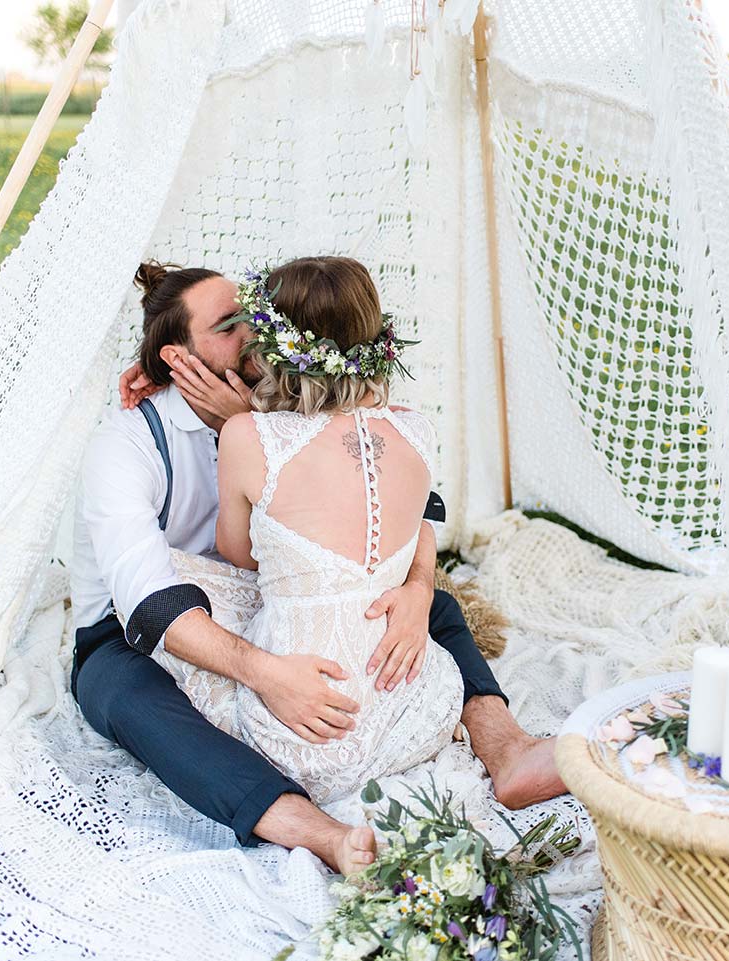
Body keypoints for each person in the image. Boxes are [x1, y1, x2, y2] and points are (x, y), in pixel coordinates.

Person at [69, 258, 565, 875]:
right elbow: (153, 606)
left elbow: (408, 505)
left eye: (257, 316)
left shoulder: (283, 403)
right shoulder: (125, 447)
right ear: (177, 360)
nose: (255, 335)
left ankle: (506, 745)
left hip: (268, 591)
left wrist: (415, 587)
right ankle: (314, 830)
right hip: (140, 627)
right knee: (126, 694)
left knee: (427, 603)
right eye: (230, 326)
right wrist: (268, 675)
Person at [152, 256, 463, 807]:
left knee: (169, 580)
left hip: (303, 730)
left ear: (274, 345)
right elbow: (418, 525)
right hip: (419, 707)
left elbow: (237, 553)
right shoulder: (416, 427)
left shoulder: (248, 435)